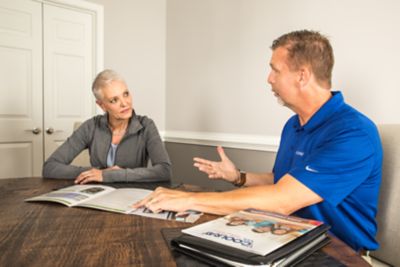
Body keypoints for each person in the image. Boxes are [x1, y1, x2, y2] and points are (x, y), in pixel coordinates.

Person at [133, 30, 382, 253]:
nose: (269, 79)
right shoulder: (294, 124)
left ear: (302, 76)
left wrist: (188, 199)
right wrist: (238, 177)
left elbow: (282, 199)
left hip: (336, 252)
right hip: (285, 236)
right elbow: (283, 179)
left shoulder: (353, 133)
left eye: (275, 69)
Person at [43, 69, 172, 184]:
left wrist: (109, 175)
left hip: (130, 195)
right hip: (95, 194)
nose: (124, 103)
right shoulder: (91, 126)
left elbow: (164, 171)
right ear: (102, 105)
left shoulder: (146, 126)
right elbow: (50, 167)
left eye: (126, 94)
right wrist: (96, 173)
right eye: (114, 100)